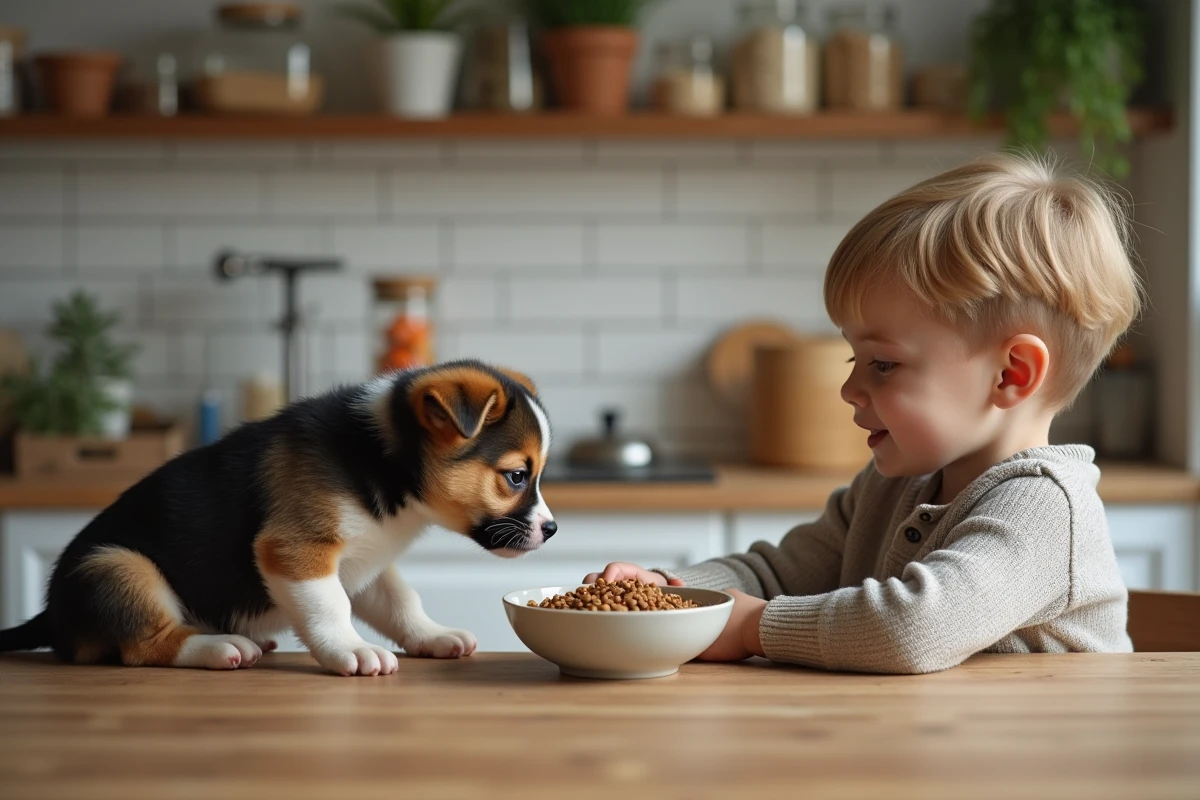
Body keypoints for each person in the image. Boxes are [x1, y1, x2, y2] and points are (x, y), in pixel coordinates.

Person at [585, 153, 1143, 674]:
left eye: (883, 365)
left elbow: (911, 628)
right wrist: (671, 593)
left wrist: (756, 626)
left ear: (1011, 374)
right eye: (855, 358)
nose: (850, 388)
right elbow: (775, 574)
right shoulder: (887, 488)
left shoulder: (1045, 510)